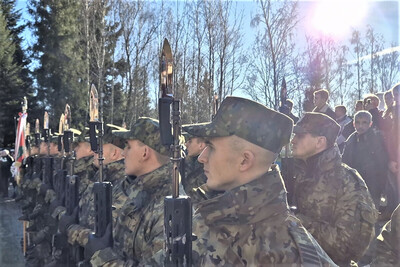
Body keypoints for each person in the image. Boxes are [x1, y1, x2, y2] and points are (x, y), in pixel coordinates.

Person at [180, 96, 336, 266]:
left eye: (211, 147)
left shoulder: (293, 255)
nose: (202, 158)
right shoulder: (211, 213)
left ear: (244, 161)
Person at [290, 112, 378, 265]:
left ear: (320, 142)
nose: (293, 141)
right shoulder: (301, 172)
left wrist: (295, 223)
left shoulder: (347, 181)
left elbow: (347, 247)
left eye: (300, 136)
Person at [88, 117, 178, 266]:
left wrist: (103, 258)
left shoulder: (168, 205)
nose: (123, 153)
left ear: (144, 153)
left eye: (128, 147)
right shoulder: (140, 190)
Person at [342, 111, 389, 208]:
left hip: (372, 184)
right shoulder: (351, 139)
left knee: (371, 212)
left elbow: (382, 163)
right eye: (358, 122)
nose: (361, 126)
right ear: (354, 124)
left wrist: (381, 186)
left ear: (370, 124)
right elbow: (344, 161)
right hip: (353, 184)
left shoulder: (376, 139)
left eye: (364, 122)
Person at [181, 129, 207, 198]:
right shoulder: (188, 162)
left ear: (201, 145)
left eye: (190, 141)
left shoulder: (208, 170)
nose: (186, 144)